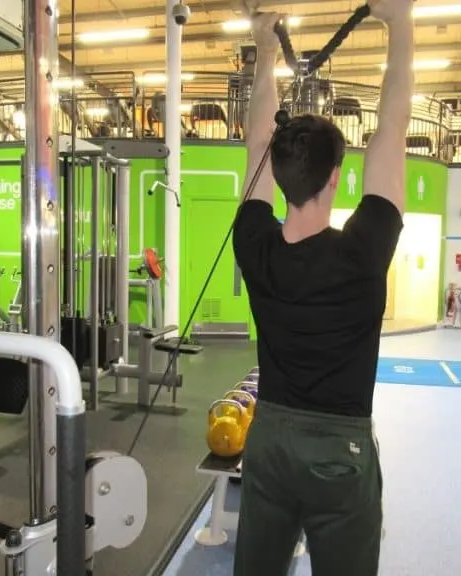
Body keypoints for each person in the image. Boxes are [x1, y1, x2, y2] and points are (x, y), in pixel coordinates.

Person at [231, 0, 413, 574]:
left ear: (279, 175)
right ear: (338, 177)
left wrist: (264, 45)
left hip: (270, 441)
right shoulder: (362, 251)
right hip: (341, 451)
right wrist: (400, 20)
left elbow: (257, 138)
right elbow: (393, 129)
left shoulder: (254, 243)